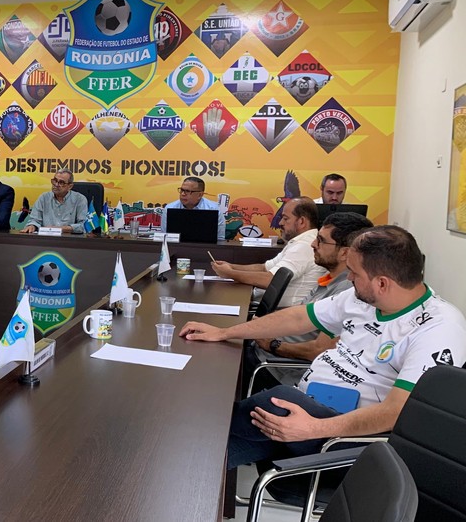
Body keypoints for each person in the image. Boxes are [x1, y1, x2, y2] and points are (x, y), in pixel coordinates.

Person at [180, 225, 466, 470]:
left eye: (354, 273)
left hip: (348, 439)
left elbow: (397, 412)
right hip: (308, 415)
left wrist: (313, 428)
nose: (348, 279)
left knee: (278, 401)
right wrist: (224, 332)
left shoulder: (438, 328)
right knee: (203, 457)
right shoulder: (361, 299)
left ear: (382, 283)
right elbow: (298, 318)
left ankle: (189, 424)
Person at [244, 212, 374, 390]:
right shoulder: (328, 280)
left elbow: (320, 350)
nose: (313, 244)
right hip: (263, 352)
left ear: (345, 253)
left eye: (321, 240)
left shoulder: (348, 290)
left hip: (279, 368)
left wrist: (273, 344)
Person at [212, 198, 326, 308]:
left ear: (301, 222)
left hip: (280, 312)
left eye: (285, 218)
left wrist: (230, 273)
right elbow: (264, 268)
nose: (280, 222)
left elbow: (272, 280)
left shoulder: (304, 246)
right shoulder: (299, 242)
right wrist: (231, 266)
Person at [20, 169, 89, 234]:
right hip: (46, 240)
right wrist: (32, 226)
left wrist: (60, 229)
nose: (56, 184)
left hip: (69, 240)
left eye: (61, 182)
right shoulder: (43, 198)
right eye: (55, 180)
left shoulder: (80, 199)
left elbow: (83, 225)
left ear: (70, 186)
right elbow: (34, 220)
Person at [158, 177, 225, 241]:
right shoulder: (170, 208)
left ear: (200, 195)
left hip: (207, 248)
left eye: (187, 191)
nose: (183, 194)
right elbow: (164, 237)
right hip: (175, 248)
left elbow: (220, 239)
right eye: (182, 190)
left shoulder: (213, 209)